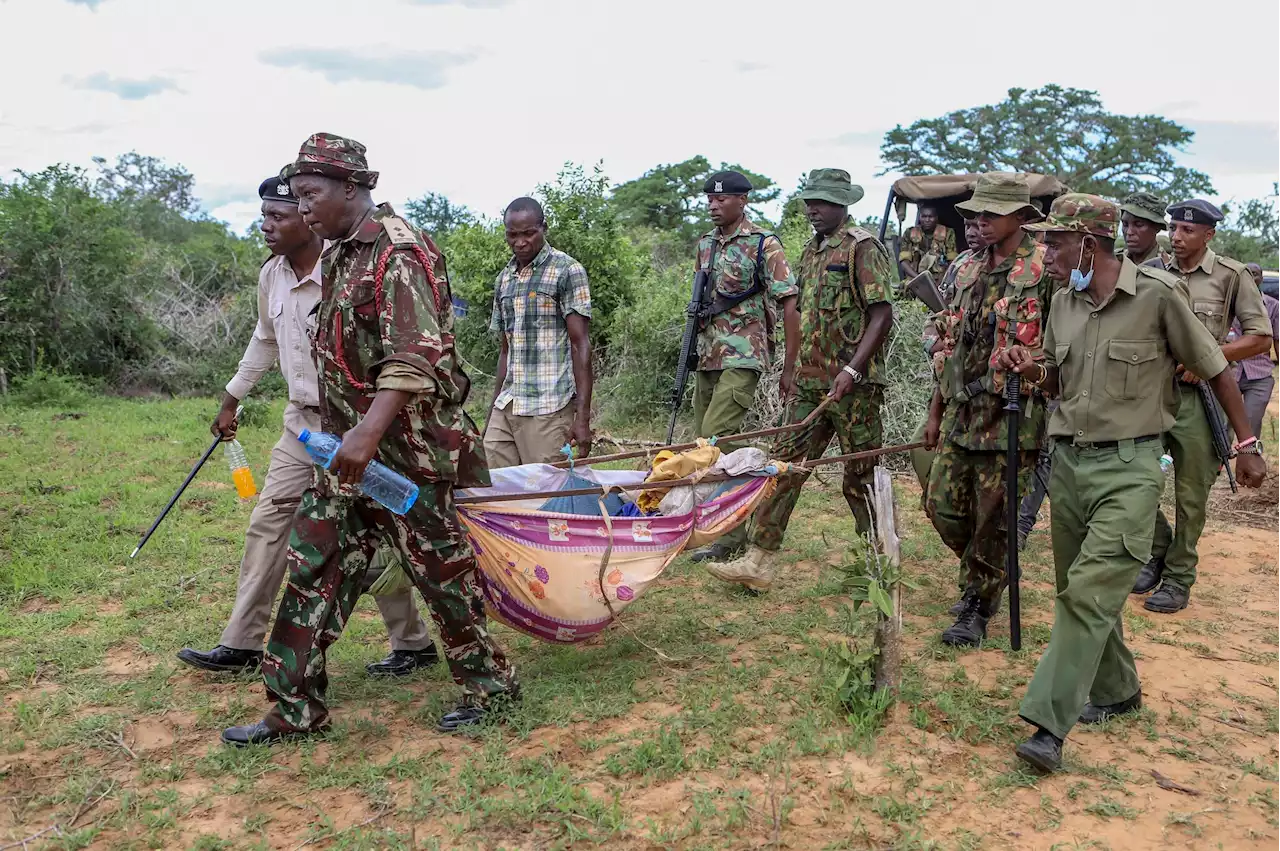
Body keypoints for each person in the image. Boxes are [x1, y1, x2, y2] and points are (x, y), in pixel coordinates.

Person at [221, 134, 517, 746]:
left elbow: (415, 356)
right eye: (297, 197)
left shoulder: (398, 253)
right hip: (348, 454)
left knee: (442, 574)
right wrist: (340, 438)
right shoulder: (337, 255)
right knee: (313, 562)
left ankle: (489, 685)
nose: (302, 209)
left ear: (350, 189)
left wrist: (365, 434)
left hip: (410, 455)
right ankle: (293, 708)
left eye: (310, 195)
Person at [999, 194, 1266, 773]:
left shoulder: (1157, 296)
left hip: (1130, 468)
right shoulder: (1063, 302)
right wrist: (1031, 369)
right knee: (1083, 588)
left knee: (1088, 593)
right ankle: (1119, 691)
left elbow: (1217, 368)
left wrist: (1246, 446)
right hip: (1068, 465)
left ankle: (1048, 723)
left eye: (1054, 241)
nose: (1043, 251)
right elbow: (1055, 378)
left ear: (1088, 245)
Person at [176, 177, 437, 680]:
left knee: (377, 532)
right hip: (300, 427)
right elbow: (263, 339)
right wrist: (232, 399)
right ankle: (242, 642)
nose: (266, 226)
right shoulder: (271, 275)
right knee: (269, 523)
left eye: (278, 216)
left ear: (304, 214)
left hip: (359, 426)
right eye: (264, 216)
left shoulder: (349, 267)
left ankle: (413, 643)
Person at [705, 169, 894, 590]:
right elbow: (801, 316)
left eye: (823, 202)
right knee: (783, 468)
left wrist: (852, 369)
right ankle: (759, 560)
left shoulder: (863, 248)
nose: (814, 209)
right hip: (810, 383)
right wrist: (789, 370)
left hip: (854, 387)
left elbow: (882, 314)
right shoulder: (810, 251)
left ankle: (879, 563)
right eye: (810, 201)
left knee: (860, 475)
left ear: (843, 204)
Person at [922, 173, 1050, 646]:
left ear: (1020, 216)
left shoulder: (1042, 270)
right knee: (941, 506)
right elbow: (949, 344)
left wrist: (1034, 369)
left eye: (990, 213)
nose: (979, 221)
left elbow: (1058, 348)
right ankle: (986, 574)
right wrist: (935, 412)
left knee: (994, 516)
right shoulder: (965, 267)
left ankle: (978, 602)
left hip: (1012, 416)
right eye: (975, 213)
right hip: (960, 410)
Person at [1133, 199, 1272, 614]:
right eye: (1173, 228)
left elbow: (1260, 338)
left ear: (1208, 234)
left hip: (1202, 398)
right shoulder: (1152, 272)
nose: (1176, 236)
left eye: (1187, 230)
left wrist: (1211, 356)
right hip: (1152, 393)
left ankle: (1178, 577)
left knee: (1191, 496)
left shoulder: (1231, 276)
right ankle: (1157, 549)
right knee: (1134, 478)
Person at [685, 170, 800, 565]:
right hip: (708, 354)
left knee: (715, 436)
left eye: (722, 199)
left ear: (742, 201)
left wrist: (789, 365)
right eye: (710, 200)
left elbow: (789, 302)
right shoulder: (705, 244)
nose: (714, 205)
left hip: (744, 353)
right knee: (706, 443)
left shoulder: (763, 243)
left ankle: (731, 531)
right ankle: (722, 526)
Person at [484, 197, 593, 467]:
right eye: (512, 235)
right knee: (493, 487)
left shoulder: (567, 270)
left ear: (544, 228)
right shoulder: (504, 278)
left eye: (528, 233)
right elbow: (505, 349)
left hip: (549, 406)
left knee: (544, 494)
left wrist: (582, 418)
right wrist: (492, 409)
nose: (520, 242)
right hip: (508, 404)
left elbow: (581, 345)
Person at [912, 219, 987, 493]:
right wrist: (934, 342)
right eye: (968, 225)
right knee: (922, 448)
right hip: (950, 384)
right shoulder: (962, 263)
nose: (972, 232)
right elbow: (937, 313)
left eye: (980, 225)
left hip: (989, 389)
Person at [1230, 263, 1280, 440]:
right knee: (1221, 426)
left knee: (1251, 426)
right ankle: (1217, 466)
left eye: (1256, 274)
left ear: (1261, 279)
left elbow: (1277, 340)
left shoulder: (1273, 306)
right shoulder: (1227, 303)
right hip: (1228, 373)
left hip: (1259, 375)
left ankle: (1249, 463)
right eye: (1248, 274)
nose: (1252, 278)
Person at [898, 203, 958, 281]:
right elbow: (904, 261)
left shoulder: (948, 233)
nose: (927, 220)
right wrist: (919, 279)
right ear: (920, 217)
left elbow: (952, 261)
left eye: (930, 217)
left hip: (940, 278)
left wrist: (943, 280)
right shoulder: (910, 233)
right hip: (915, 277)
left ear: (936, 218)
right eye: (924, 216)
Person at [1118, 191, 1173, 269]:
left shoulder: (1170, 268)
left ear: (1157, 227)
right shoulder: (1114, 263)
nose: (1129, 232)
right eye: (1125, 224)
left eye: (1138, 225)